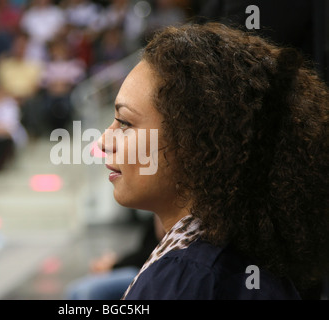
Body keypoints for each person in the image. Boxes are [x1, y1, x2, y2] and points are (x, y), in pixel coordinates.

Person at [98, 23, 329, 300]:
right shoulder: (232, 259)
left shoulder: (190, 278)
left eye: (125, 122)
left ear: (194, 142)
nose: (103, 141)